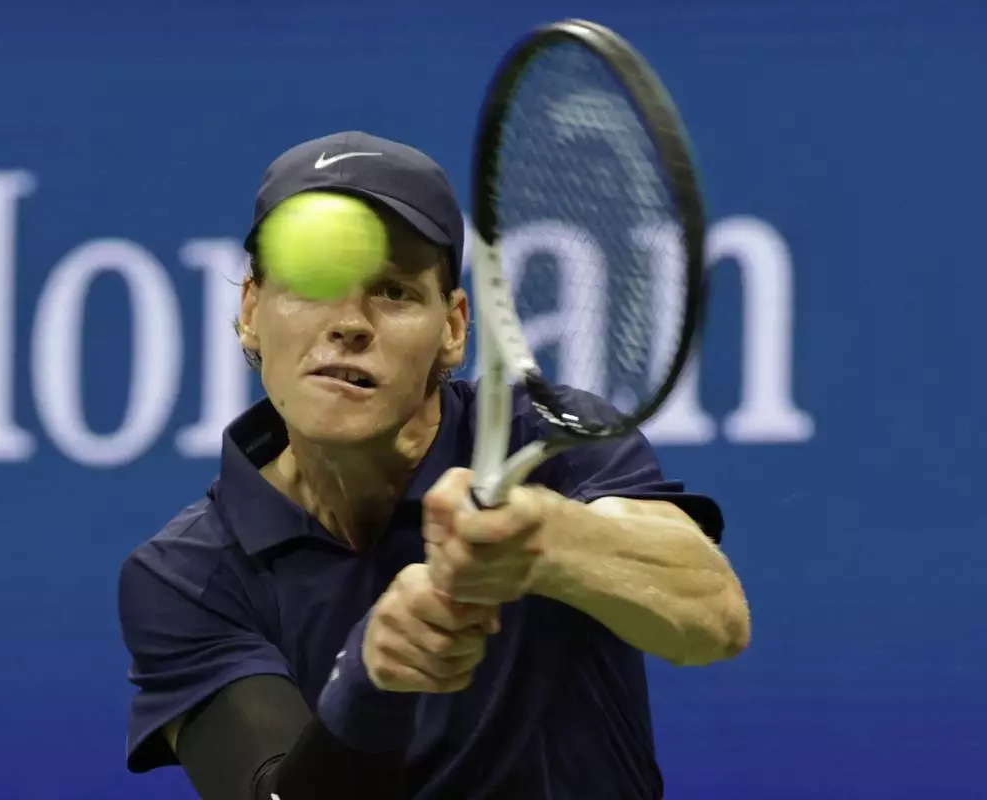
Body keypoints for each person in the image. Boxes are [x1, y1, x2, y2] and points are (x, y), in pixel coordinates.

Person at [117, 130, 751, 800]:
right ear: (251, 312)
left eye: (393, 291)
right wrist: (369, 682)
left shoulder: (551, 439)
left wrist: (545, 544)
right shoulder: (186, 576)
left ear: (453, 328)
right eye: (311, 282)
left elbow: (713, 617)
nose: (350, 323)